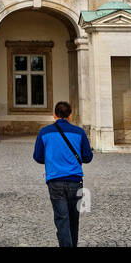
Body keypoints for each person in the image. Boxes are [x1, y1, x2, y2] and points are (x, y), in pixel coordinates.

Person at [32, 101, 93, 247]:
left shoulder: (44, 132)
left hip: (55, 180)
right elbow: (88, 157)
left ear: (54, 115)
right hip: (75, 180)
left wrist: (52, 159)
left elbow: (37, 156)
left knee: (61, 218)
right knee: (74, 218)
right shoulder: (79, 132)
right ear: (70, 115)